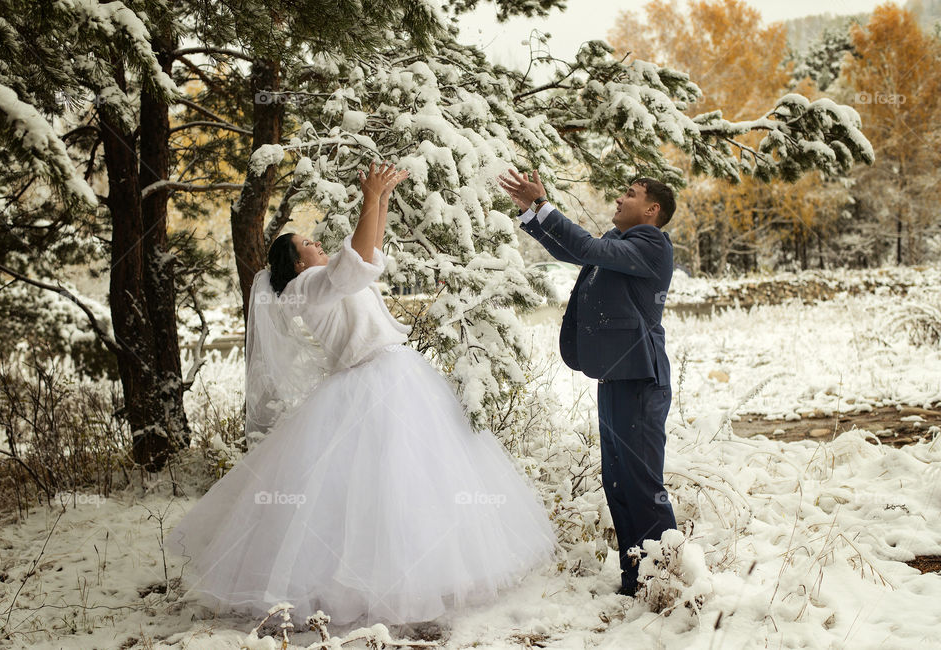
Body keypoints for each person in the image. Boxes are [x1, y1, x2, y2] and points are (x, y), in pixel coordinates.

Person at [164, 162, 559, 629]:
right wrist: (369, 198)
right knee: (381, 483)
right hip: (370, 380)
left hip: (390, 371)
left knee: (411, 478)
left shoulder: (326, 277)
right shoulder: (309, 287)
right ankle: (367, 583)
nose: (316, 244)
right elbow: (355, 260)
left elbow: (366, 257)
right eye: (307, 244)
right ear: (295, 263)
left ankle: (417, 571)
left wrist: (383, 198)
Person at [498, 168, 678, 598]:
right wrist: (531, 212)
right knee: (616, 478)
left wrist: (544, 206)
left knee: (640, 481)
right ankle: (637, 578)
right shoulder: (619, 243)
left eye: (630, 194)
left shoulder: (651, 244)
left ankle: (670, 578)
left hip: (640, 376)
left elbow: (584, 246)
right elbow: (575, 251)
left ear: (652, 210)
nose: (619, 199)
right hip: (617, 375)